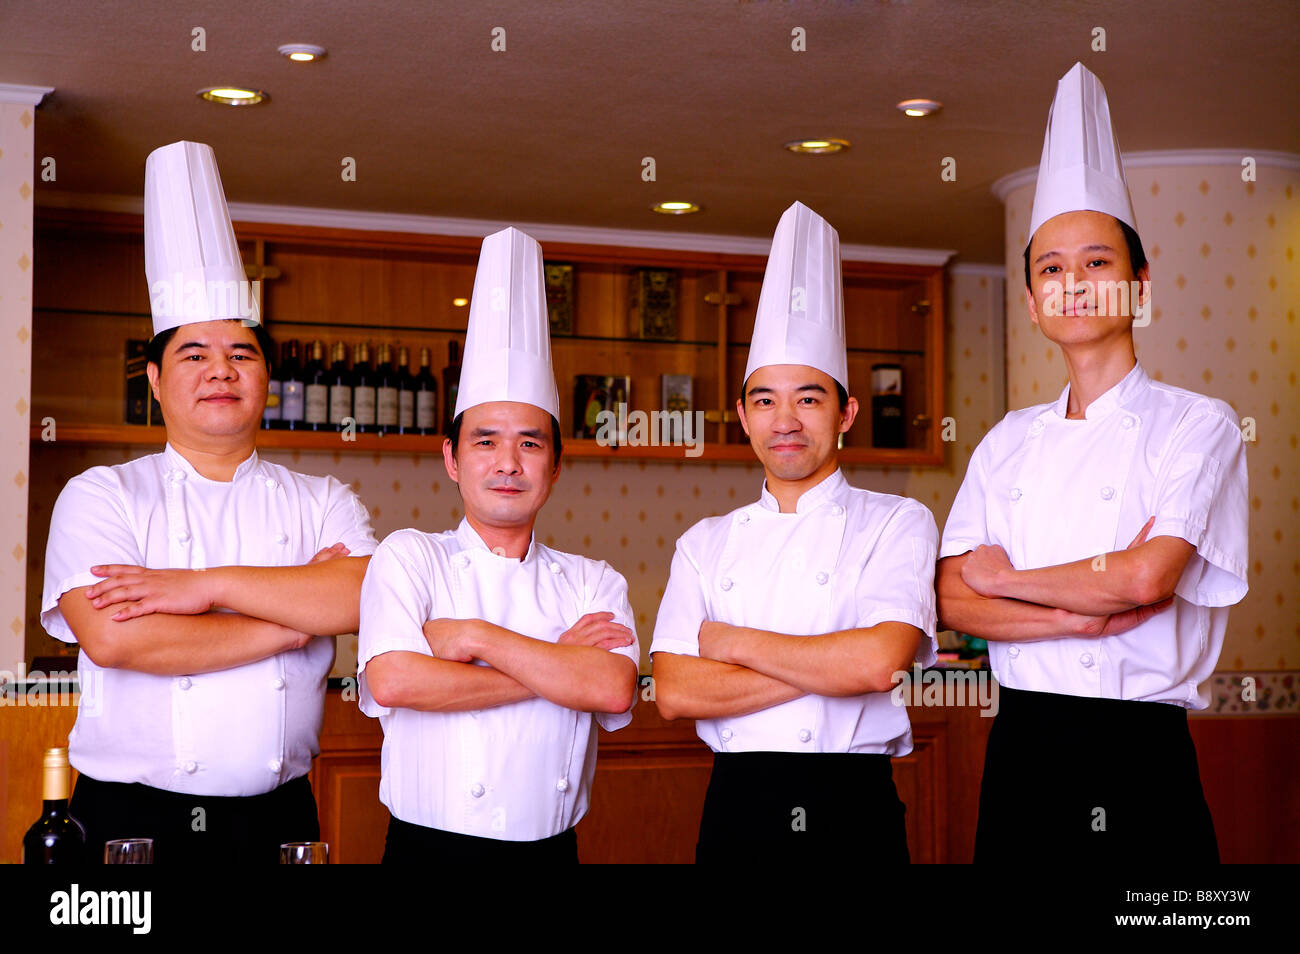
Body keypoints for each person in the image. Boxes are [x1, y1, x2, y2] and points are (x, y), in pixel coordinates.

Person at [936, 63, 1249, 863]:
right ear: (1034, 301)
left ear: (1139, 286)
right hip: (1024, 750)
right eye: (1050, 268)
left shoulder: (1199, 423)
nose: (1073, 283)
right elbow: (950, 597)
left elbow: (1145, 580)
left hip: (1143, 754)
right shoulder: (1006, 439)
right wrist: (1077, 608)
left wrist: (1004, 579)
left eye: (1098, 262)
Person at [40, 141, 377, 863]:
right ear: (156, 380)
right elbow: (117, 640)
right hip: (130, 817)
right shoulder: (101, 495)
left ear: (266, 377)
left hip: (280, 812)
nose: (221, 370)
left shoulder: (323, 498)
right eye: (195, 354)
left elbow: (355, 599)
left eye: (242, 354)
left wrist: (202, 590)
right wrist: (288, 626)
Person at [650, 202, 939, 863]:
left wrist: (731, 644)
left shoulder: (897, 521)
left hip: (853, 804)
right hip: (737, 807)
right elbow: (675, 693)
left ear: (847, 413)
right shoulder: (703, 543)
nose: (785, 419)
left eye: (808, 398)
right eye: (764, 400)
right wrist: (831, 665)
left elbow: (878, 663)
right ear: (742, 417)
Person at [357, 227, 639, 864]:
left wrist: (477, 640)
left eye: (530, 443)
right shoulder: (408, 556)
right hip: (428, 856)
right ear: (452, 460)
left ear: (557, 466)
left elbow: (613, 689)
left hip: (551, 853)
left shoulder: (595, 581)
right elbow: (397, 680)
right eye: (486, 441)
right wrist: (557, 666)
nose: (508, 462)